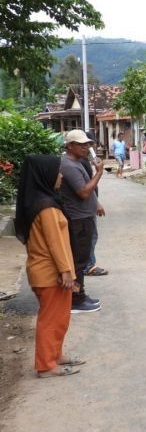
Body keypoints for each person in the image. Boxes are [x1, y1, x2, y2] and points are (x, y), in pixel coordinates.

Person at [15, 155, 85, 378]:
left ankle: (55, 354)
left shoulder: (43, 201)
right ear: (45, 175)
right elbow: (55, 243)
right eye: (58, 171)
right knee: (51, 318)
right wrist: (66, 272)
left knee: (60, 316)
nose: (62, 176)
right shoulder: (46, 207)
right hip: (50, 273)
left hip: (50, 271)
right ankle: (46, 365)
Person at [60, 129, 103, 313]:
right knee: (78, 260)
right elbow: (84, 192)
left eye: (87, 144)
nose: (86, 148)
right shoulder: (69, 165)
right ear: (70, 146)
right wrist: (99, 173)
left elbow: (88, 193)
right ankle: (75, 300)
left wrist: (96, 203)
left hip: (83, 216)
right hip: (77, 219)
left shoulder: (76, 162)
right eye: (81, 144)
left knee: (82, 258)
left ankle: (79, 294)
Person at [82, 134, 108, 277]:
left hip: (89, 201)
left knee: (91, 235)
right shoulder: (80, 163)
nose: (89, 148)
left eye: (91, 145)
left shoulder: (85, 161)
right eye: (86, 145)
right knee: (90, 235)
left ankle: (87, 264)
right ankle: (88, 265)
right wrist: (96, 202)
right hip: (86, 204)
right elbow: (86, 187)